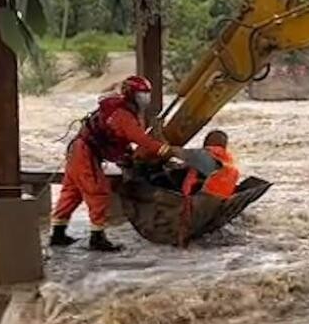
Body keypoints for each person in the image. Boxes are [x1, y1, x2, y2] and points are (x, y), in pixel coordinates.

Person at [50, 76, 180, 252]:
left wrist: (127, 156)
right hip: (85, 152)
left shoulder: (121, 110)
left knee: (71, 192)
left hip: (79, 149)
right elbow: (140, 139)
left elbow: (120, 138)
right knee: (98, 192)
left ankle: (57, 234)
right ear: (131, 95)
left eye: (147, 94)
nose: (145, 98)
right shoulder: (123, 115)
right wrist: (164, 150)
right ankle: (97, 239)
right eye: (142, 94)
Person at [179, 130, 239, 200]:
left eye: (206, 139)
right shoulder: (228, 159)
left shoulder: (206, 154)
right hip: (223, 197)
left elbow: (184, 158)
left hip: (203, 198)